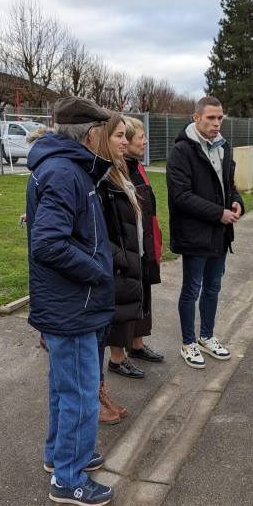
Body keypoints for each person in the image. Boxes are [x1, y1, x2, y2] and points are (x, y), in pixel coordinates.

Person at [25, 96, 115, 506]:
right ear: (92, 134)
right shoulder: (64, 172)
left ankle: (59, 455)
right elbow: (48, 243)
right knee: (79, 392)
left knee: (66, 387)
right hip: (74, 304)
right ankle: (69, 479)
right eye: (106, 132)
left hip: (68, 302)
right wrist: (97, 271)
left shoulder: (65, 168)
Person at [166, 96, 244, 369]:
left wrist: (236, 202)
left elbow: (229, 184)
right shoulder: (181, 151)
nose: (216, 123)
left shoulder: (224, 147)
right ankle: (188, 342)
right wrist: (218, 213)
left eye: (220, 117)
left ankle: (206, 337)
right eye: (210, 117)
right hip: (194, 234)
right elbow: (181, 196)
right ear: (196, 118)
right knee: (192, 289)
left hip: (220, 234)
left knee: (214, 286)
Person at [89, 115, 144, 424]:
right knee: (97, 337)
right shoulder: (99, 179)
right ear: (102, 138)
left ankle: (100, 393)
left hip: (120, 266)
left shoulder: (118, 172)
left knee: (103, 333)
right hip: (109, 268)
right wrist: (121, 259)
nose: (126, 141)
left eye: (127, 136)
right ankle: (95, 397)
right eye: (120, 136)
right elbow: (97, 232)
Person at [122, 117, 164, 364]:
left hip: (144, 242)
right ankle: (119, 356)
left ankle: (137, 344)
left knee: (143, 294)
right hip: (128, 246)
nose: (145, 141)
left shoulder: (137, 166)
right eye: (141, 137)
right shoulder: (118, 169)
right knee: (128, 298)